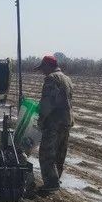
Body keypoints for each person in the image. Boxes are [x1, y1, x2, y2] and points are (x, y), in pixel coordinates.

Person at [35, 54, 74, 191]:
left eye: (43, 68)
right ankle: (56, 180)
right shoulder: (67, 79)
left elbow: (47, 103)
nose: (42, 72)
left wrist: (41, 120)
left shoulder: (51, 78)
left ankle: (51, 183)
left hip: (54, 122)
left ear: (48, 66)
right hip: (66, 121)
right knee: (60, 152)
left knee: (46, 153)